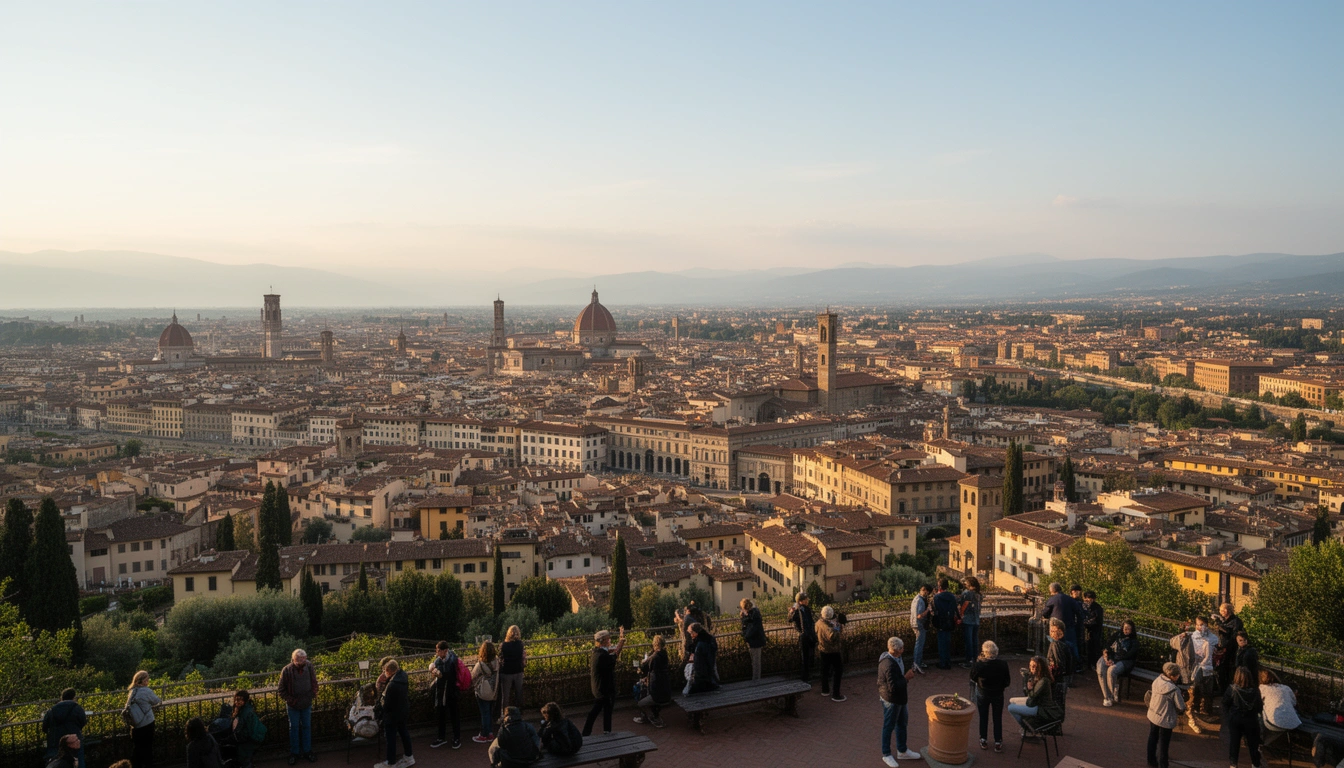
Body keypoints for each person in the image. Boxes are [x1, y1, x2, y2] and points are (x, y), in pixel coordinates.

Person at [1170, 616, 1219, 733]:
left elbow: (1216, 650)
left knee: (1205, 692)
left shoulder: (1212, 638)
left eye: (1203, 624)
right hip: (1190, 670)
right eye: (1198, 624)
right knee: (1192, 692)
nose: (1200, 627)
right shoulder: (1191, 636)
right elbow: (1173, 642)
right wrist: (1182, 636)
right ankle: (1191, 718)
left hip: (1206, 669)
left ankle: (1201, 714)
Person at [878, 637, 920, 767]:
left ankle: (902, 751)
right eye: (902, 648)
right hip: (892, 700)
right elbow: (893, 687)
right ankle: (886, 754)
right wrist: (906, 678)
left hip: (900, 699)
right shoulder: (888, 665)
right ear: (896, 650)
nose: (903, 650)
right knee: (889, 726)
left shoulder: (896, 658)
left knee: (902, 723)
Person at [582, 628, 626, 736]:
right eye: (608, 639)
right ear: (604, 641)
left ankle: (588, 732)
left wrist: (620, 640)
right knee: (604, 711)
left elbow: (611, 651)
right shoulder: (602, 656)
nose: (610, 641)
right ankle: (603, 732)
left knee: (598, 711)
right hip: (604, 690)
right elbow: (614, 656)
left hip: (599, 688)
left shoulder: (596, 652)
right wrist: (621, 642)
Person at [278, 649, 318, 765]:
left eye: (305, 658)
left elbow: (314, 682)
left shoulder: (309, 666)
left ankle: (307, 751)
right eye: (301, 659)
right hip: (293, 706)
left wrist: (312, 695)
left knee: (307, 727)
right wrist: (291, 700)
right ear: (295, 659)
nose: (304, 661)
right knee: (294, 728)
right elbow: (281, 690)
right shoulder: (287, 670)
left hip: (306, 704)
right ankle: (294, 753)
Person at [970, 640, 1011, 753]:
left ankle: (983, 739)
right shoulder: (1003, 664)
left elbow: (972, 677)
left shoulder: (979, 664)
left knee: (983, 716)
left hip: (983, 693)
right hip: (998, 694)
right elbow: (1007, 681)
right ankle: (998, 740)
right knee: (997, 717)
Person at [1146, 662, 1186, 768]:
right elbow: (1181, 706)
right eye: (1177, 675)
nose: (1178, 677)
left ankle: (1151, 760)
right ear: (1172, 676)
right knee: (1164, 744)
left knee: (1152, 737)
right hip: (1165, 719)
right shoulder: (1173, 689)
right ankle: (1163, 764)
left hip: (1153, 714)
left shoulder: (1157, 680)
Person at [1223, 666, 1264, 768]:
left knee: (1234, 743)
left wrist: (1228, 716)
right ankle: (1255, 764)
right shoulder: (1255, 691)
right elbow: (1259, 707)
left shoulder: (1231, 689)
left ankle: (1233, 765)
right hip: (1251, 720)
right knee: (1253, 744)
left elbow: (1225, 703)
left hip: (1235, 719)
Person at [1008, 656, 1062, 731]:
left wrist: (1029, 688)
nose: (1031, 668)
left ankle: (1026, 728)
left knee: (1011, 707)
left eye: (1034, 666)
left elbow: (1032, 695)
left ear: (1040, 667)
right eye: (1030, 666)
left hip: (1041, 708)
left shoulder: (1043, 681)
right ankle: (1026, 722)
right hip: (1036, 702)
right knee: (1012, 700)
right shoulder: (1038, 677)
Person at [377, 659, 414, 768]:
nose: (384, 673)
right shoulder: (403, 676)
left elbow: (386, 704)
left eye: (384, 671)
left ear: (389, 670)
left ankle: (390, 762)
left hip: (392, 715)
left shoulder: (392, 685)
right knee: (404, 733)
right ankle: (409, 756)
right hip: (403, 711)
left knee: (390, 738)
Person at [429, 640, 463, 749]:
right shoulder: (438, 660)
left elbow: (447, 673)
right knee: (441, 714)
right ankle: (441, 737)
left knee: (454, 714)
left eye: (439, 650)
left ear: (445, 650)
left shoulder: (452, 659)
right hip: (441, 692)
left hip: (452, 691)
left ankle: (456, 738)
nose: (437, 652)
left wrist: (438, 672)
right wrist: (433, 669)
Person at [1097, 619, 1139, 707]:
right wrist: (1107, 657)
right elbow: (1107, 646)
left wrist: (1114, 661)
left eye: (1128, 629)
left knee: (1112, 670)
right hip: (1111, 657)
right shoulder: (1117, 635)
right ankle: (1107, 695)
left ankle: (1110, 696)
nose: (1126, 630)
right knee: (1101, 667)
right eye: (1125, 628)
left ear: (1132, 630)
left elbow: (1130, 655)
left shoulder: (1134, 641)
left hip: (1125, 661)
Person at [43, 688, 87, 768]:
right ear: (74, 697)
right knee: (78, 760)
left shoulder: (51, 711)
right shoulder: (77, 708)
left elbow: (45, 727)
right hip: (74, 738)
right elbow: (83, 721)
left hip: (55, 740)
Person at [126, 670, 162, 768]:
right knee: (148, 748)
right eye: (146, 680)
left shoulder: (132, 692)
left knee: (137, 749)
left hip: (135, 726)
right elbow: (157, 701)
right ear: (142, 681)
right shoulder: (146, 691)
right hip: (147, 724)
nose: (148, 682)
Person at [635, 634, 671, 727]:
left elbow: (644, 667)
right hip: (665, 691)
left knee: (641, 702)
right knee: (651, 696)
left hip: (656, 693)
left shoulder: (654, 657)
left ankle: (650, 718)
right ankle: (655, 715)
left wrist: (643, 663)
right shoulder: (665, 655)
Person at [1259, 669, 1301, 744]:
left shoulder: (1261, 688)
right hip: (1294, 723)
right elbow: (1294, 703)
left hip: (1273, 724)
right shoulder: (1286, 688)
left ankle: (1260, 740)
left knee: (1259, 713)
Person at [1042, 582, 1081, 660]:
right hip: (1070, 626)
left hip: (1056, 627)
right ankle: (1076, 664)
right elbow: (1079, 612)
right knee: (1072, 645)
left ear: (1052, 591)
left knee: (1055, 645)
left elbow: (1045, 613)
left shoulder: (1052, 599)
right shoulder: (1070, 599)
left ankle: (1057, 662)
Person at [472, 641, 501, 744]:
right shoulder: (497, 662)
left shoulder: (480, 664)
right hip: (494, 691)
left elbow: (473, 676)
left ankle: (484, 735)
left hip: (483, 692)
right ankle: (490, 733)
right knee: (489, 712)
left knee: (484, 714)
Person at [816, 605, 846, 701]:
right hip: (833, 651)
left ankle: (825, 690)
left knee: (824, 670)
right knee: (838, 671)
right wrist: (837, 626)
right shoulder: (829, 626)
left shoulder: (818, 623)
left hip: (823, 650)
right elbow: (833, 637)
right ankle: (836, 694)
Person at [231, 689, 266, 768]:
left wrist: (239, 737)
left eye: (239, 700)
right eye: (236, 700)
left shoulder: (246, 713)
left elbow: (248, 729)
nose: (237, 702)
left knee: (245, 758)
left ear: (245, 701)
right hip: (250, 738)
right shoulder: (246, 710)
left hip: (249, 740)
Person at [789, 592, 818, 683]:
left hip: (810, 635)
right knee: (805, 657)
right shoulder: (797, 610)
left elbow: (811, 620)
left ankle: (808, 674)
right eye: (806, 599)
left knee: (810, 656)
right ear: (801, 601)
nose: (807, 600)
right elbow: (790, 619)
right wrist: (793, 611)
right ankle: (805, 677)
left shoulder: (807, 609)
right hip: (804, 636)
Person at [932, 578, 960, 670]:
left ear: (939, 586)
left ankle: (942, 662)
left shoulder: (936, 597)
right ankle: (948, 662)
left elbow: (934, 609)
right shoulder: (952, 596)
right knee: (947, 642)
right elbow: (955, 609)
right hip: (949, 621)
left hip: (940, 622)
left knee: (941, 643)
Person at [1215, 602, 1244, 688]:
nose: (1220, 612)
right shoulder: (1225, 620)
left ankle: (1227, 687)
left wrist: (1219, 624)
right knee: (1221, 667)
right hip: (1223, 646)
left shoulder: (1236, 621)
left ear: (1226, 610)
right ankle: (1222, 686)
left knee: (1228, 667)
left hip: (1230, 647)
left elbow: (1230, 633)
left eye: (1221, 610)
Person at [499, 626, 527, 714]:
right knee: (519, 693)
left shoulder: (503, 645)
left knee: (505, 696)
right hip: (518, 670)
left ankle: (505, 714)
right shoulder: (520, 644)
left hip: (507, 672)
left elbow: (500, 658)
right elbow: (523, 657)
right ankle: (519, 713)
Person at [687, 622, 720, 694]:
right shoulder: (707, 638)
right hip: (706, 665)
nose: (691, 635)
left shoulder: (701, 642)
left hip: (702, 667)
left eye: (691, 633)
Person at [959, 576, 983, 668]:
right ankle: (975, 659)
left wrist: (960, 615)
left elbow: (963, 605)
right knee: (975, 641)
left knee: (968, 641)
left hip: (968, 620)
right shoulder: (979, 595)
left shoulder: (967, 593)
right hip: (976, 620)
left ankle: (969, 661)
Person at [739, 598, 766, 680]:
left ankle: (756, 679)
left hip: (755, 640)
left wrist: (746, 636)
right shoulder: (753, 613)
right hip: (754, 640)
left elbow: (752, 627)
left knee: (756, 661)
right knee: (755, 661)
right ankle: (756, 678)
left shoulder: (754, 614)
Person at [909, 584, 931, 674]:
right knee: (919, 644)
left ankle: (918, 662)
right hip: (919, 625)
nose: (928, 594)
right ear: (925, 590)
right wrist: (928, 610)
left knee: (919, 644)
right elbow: (919, 616)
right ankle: (916, 663)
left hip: (915, 623)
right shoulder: (920, 601)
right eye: (928, 592)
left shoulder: (916, 598)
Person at [1081, 591, 1105, 670]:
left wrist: (1086, 622)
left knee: (1095, 648)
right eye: (1087, 598)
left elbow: (1097, 619)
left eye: (1090, 598)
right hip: (1088, 630)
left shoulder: (1097, 607)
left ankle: (1095, 664)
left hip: (1095, 630)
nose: (1088, 599)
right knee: (1088, 648)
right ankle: (1089, 664)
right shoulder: (1084, 605)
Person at [1045, 619, 1073, 684]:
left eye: (1052, 631)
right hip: (1061, 676)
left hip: (1058, 678)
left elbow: (1059, 663)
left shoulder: (1056, 644)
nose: (1050, 633)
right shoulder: (1063, 643)